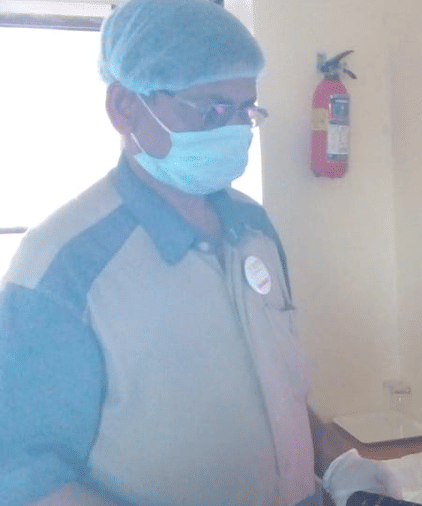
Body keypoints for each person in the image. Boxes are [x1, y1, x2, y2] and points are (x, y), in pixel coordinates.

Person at [0, 1, 318, 505]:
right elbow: (24, 476)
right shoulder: (61, 269)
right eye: (212, 109)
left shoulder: (252, 227)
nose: (234, 130)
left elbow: (278, 385)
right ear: (126, 106)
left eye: (245, 111)